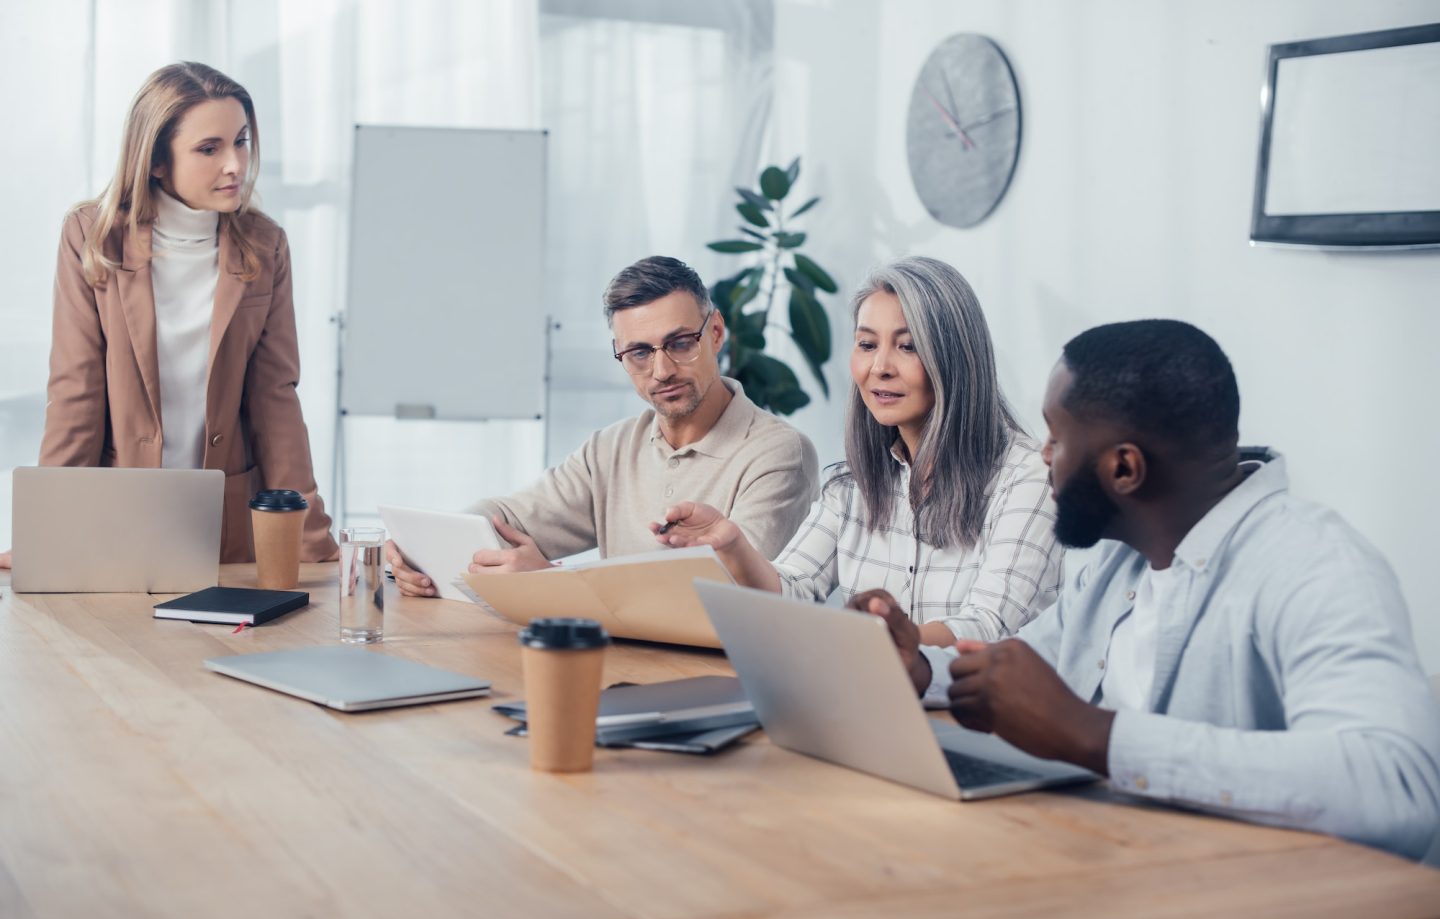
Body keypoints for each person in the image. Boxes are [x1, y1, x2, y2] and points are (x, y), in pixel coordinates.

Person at [869, 319, 1440, 859]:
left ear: (1124, 470)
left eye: (1056, 438)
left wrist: (1096, 736)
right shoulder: (1122, 562)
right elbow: (1019, 670)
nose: (1042, 456)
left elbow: (1397, 785)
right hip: (1108, 860)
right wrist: (918, 667)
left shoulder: (1314, 565)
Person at [655, 256, 1062, 693]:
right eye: (867, 345)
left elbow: (990, 626)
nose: (879, 367)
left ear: (956, 358)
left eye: (907, 346)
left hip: (979, 721)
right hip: (869, 708)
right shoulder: (850, 485)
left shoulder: (1029, 479)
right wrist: (731, 544)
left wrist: (871, 645)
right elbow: (792, 590)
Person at [1, 62, 335, 570]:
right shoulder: (93, 237)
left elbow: (275, 398)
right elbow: (77, 391)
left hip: (228, 516)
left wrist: (314, 542)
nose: (235, 165)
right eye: (210, 148)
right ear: (156, 160)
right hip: (119, 512)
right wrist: (48, 533)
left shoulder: (266, 245)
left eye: (241, 142)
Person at [389, 255, 819, 596]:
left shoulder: (779, 453)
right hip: (615, 671)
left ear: (717, 333)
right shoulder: (610, 449)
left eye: (680, 343)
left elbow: (727, 594)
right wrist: (420, 550)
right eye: (638, 352)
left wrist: (552, 585)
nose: (662, 370)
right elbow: (507, 519)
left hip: (720, 683)